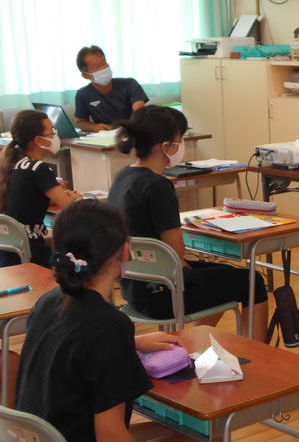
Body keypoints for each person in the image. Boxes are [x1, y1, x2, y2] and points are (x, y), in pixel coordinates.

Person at [14, 199, 222, 442]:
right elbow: (109, 435)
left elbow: (73, 345)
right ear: (124, 250)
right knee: (213, 441)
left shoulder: (50, 303)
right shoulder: (109, 325)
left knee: (177, 430)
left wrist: (132, 343)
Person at [108, 105, 269, 341]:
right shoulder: (158, 186)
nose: (181, 145)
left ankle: (189, 343)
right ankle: (253, 355)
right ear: (165, 146)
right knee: (252, 281)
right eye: (180, 139)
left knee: (225, 277)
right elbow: (176, 252)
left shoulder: (123, 176)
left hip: (134, 288)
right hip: (165, 294)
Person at [0, 109, 79, 267]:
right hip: (31, 252)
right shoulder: (38, 168)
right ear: (38, 140)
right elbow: (69, 206)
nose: (56, 136)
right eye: (52, 132)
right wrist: (74, 197)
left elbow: (23, 199)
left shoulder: (9, 163)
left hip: (9, 250)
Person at [74, 45, 148, 132]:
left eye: (104, 63)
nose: (104, 68)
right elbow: (81, 122)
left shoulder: (129, 84)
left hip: (132, 132)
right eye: (97, 66)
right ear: (86, 75)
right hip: (105, 136)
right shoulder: (83, 94)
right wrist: (94, 127)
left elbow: (139, 114)